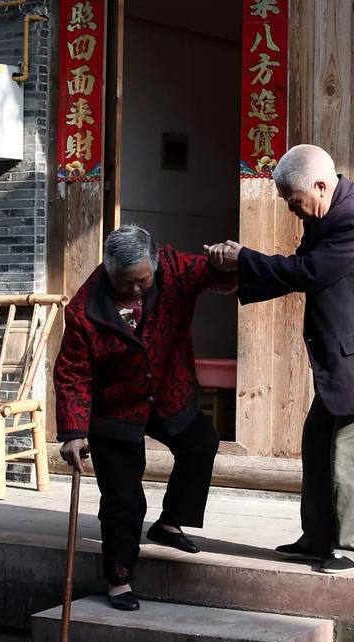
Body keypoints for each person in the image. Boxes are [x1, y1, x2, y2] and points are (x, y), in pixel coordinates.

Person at [206, 144, 354, 573]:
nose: (290, 208)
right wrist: (242, 279)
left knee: (350, 453)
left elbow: (309, 273)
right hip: (351, 363)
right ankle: (317, 538)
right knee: (317, 442)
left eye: (292, 199)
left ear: (320, 185)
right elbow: (304, 265)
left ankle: (351, 546)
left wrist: (243, 259)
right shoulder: (329, 211)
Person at [54, 224, 236, 610]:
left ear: (154, 265)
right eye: (126, 283)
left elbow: (216, 277)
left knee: (201, 442)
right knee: (124, 499)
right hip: (115, 408)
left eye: (142, 281)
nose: (135, 290)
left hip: (170, 391)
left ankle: (170, 523)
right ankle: (118, 579)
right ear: (108, 270)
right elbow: (72, 373)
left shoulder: (173, 267)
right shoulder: (84, 311)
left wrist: (228, 261)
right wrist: (73, 431)